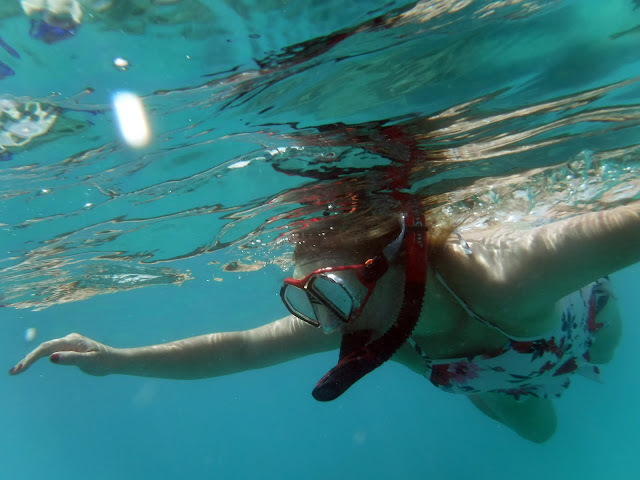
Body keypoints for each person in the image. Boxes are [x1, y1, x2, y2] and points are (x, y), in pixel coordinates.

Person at [9, 197, 639, 443]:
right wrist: (117, 360)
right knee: (541, 434)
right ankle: (493, 389)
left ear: (397, 262)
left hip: (575, 322)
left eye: (330, 292)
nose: (326, 322)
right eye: (307, 298)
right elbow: (238, 348)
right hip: (501, 379)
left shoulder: (502, 275)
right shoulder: (351, 319)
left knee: (606, 350)